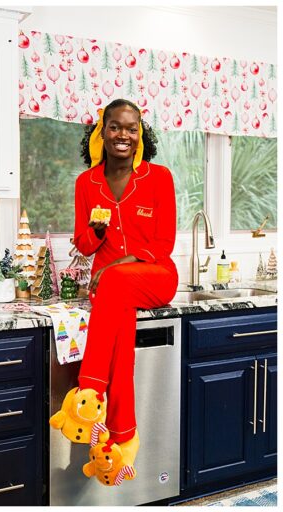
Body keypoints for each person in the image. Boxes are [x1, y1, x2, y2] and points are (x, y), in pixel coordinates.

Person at [51, 99, 177, 485]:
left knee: (117, 284)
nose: (124, 135)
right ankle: (121, 439)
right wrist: (98, 232)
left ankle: (87, 397)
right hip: (110, 291)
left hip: (155, 277)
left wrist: (119, 265)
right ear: (101, 132)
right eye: (115, 127)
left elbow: (164, 243)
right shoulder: (85, 183)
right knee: (119, 334)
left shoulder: (159, 177)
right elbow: (84, 245)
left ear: (141, 135)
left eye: (132, 128)